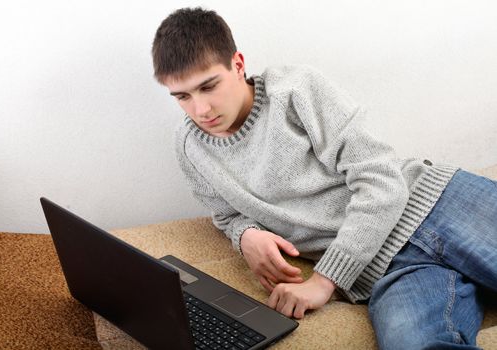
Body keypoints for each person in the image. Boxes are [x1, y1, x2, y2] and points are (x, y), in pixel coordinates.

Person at [151, 7, 497, 349]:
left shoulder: (295, 91)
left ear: (238, 65)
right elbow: (226, 214)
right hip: (389, 271)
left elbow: (380, 179)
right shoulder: (190, 149)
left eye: (208, 86)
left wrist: (324, 280)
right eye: (182, 96)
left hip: (437, 205)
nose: (201, 110)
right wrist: (246, 236)